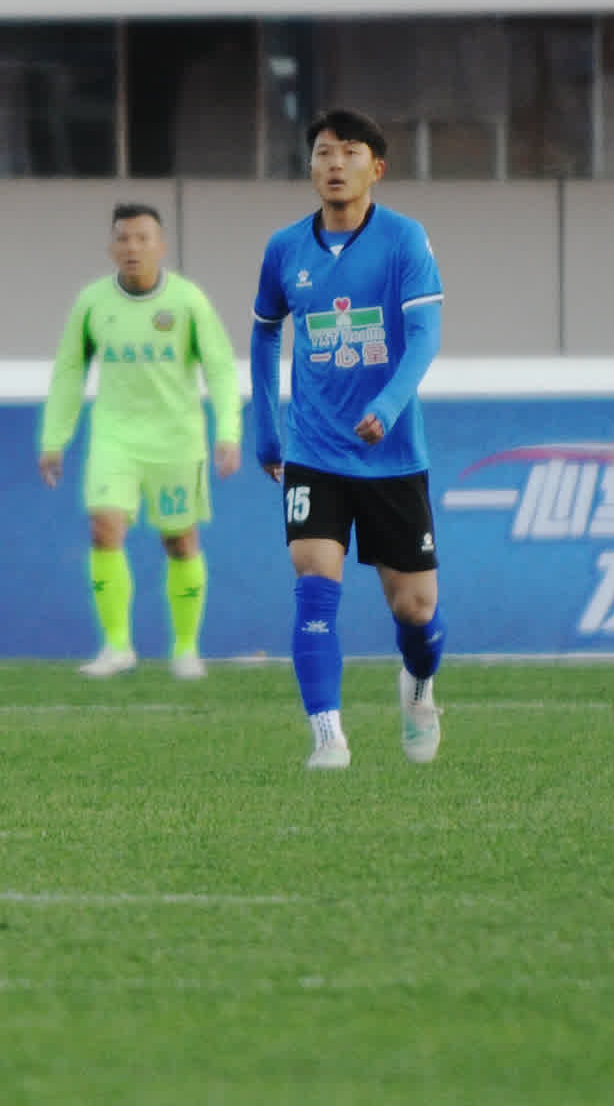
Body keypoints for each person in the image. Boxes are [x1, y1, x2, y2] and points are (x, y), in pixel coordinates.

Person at [252, 108, 446, 773]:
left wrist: (387, 405)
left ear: (377, 168)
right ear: (310, 166)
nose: (335, 163)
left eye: (350, 152)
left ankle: (418, 687)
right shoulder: (285, 248)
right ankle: (327, 735)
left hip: (392, 454)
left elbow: (426, 336)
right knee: (313, 578)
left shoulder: (404, 239)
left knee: (416, 611)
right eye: (323, 152)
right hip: (314, 450)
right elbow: (264, 330)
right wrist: (267, 428)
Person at [38, 199, 242, 683]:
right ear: (112, 247)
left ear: (161, 246)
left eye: (142, 238)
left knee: (180, 540)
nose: (133, 247)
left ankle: (186, 649)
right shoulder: (92, 303)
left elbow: (219, 368)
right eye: (124, 238)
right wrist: (54, 438)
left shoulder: (187, 301)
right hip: (115, 437)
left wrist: (228, 431)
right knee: (104, 528)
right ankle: (117, 646)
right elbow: (70, 371)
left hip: (177, 440)